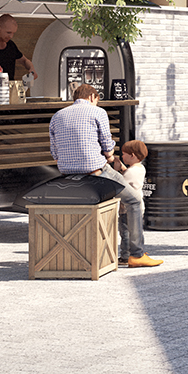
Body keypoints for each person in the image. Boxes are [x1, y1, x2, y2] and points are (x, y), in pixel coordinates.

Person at [50, 83, 158, 267]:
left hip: (66, 174)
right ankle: (136, 255)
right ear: (92, 97)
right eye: (97, 101)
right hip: (95, 172)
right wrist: (109, 156)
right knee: (133, 200)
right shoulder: (98, 113)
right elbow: (108, 146)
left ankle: (123, 253)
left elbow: (54, 152)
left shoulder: (57, 116)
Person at [109, 140, 152, 268]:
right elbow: (127, 175)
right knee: (136, 231)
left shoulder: (131, 172)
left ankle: (126, 256)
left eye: (124, 154)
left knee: (126, 233)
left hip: (127, 209)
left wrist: (116, 171)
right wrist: (122, 168)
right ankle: (138, 253)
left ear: (132, 155)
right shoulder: (139, 168)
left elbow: (121, 184)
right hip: (136, 207)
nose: (122, 156)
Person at [0, 14, 36, 84]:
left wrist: (31, 68)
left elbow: (24, 60)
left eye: (13, 33)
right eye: (8, 32)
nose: (11, 36)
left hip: (10, 91)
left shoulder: (11, 45)